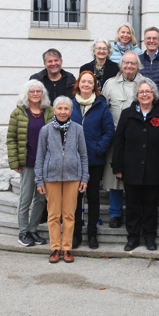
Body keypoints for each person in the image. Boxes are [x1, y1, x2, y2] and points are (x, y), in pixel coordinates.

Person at [112, 81, 159, 252]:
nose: (145, 95)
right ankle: (133, 237)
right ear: (137, 95)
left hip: (154, 168)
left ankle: (150, 236)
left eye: (148, 91)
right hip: (131, 168)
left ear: (154, 94)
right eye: (141, 92)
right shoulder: (127, 114)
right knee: (132, 205)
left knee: (151, 205)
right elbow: (119, 141)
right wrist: (118, 167)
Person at [34, 96, 89, 264]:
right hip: (51, 177)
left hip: (73, 177)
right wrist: (39, 180)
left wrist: (84, 177)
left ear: (71, 111)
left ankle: (67, 248)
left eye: (66, 109)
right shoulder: (45, 130)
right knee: (53, 214)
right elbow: (40, 156)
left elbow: (83, 155)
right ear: (54, 110)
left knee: (69, 214)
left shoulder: (78, 129)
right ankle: (55, 248)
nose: (63, 112)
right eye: (60, 108)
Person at [102, 52, 149, 229]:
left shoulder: (146, 84)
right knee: (115, 178)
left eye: (133, 63)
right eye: (126, 63)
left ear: (138, 66)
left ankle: (137, 213)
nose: (129, 66)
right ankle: (115, 213)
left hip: (139, 140)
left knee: (137, 178)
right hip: (116, 138)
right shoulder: (110, 84)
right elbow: (103, 110)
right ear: (121, 65)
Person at [70, 71, 115, 250]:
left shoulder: (101, 106)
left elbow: (109, 131)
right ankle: (76, 234)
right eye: (83, 81)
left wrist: (99, 149)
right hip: (73, 160)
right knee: (75, 198)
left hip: (94, 160)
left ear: (94, 86)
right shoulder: (70, 104)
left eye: (90, 82)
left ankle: (92, 233)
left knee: (93, 197)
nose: (86, 85)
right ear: (78, 84)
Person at [7, 80, 54, 248]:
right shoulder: (18, 113)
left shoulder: (49, 112)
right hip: (27, 161)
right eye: (32, 91)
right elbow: (11, 138)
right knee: (25, 198)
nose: (35, 94)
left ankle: (33, 230)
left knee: (41, 199)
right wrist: (14, 161)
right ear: (27, 94)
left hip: (45, 162)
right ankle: (23, 232)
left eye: (38, 91)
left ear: (43, 94)